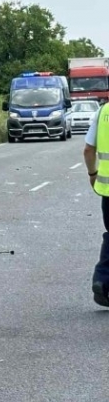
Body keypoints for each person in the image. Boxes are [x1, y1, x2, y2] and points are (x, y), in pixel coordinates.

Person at [83, 103, 109, 306]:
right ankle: (101, 279)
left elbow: (88, 150)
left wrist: (93, 174)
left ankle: (102, 278)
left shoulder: (103, 112)